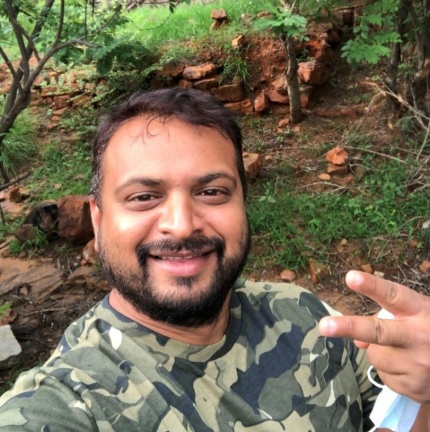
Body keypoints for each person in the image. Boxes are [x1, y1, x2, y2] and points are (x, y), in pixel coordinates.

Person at [0, 87, 429, 431]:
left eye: (211, 192)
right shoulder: (67, 400)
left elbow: (398, 415)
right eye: (144, 197)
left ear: (243, 203)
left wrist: (425, 394)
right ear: (98, 219)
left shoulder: (302, 313)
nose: (182, 226)